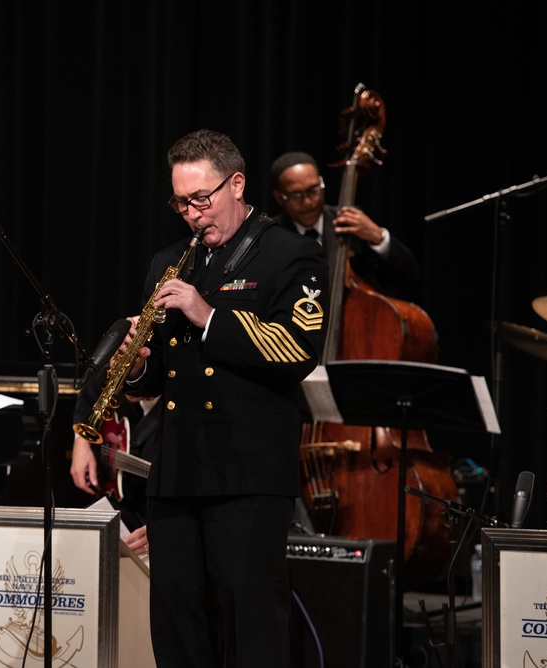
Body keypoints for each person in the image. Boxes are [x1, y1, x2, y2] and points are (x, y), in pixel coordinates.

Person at [121, 129, 329, 666]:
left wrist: (209, 316)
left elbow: (297, 348)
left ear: (236, 185)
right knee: (175, 621)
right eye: (180, 202)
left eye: (201, 200)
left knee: (251, 620)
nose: (191, 214)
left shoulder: (292, 254)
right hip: (176, 471)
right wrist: (138, 367)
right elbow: (160, 376)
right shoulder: (170, 260)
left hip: (248, 473)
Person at [270, 151, 421, 302]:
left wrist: (378, 236)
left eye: (314, 190)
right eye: (297, 195)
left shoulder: (352, 224)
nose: (309, 202)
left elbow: (407, 277)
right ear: (279, 197)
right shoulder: (271, 235)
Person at [69, 365, 161, 558]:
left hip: (158, 514)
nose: (123, 387)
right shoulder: (122, 372)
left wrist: (163, 526)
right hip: (123, 500)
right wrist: (82, 442)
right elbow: (90, 393)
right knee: (78, 541)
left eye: (133, 380)